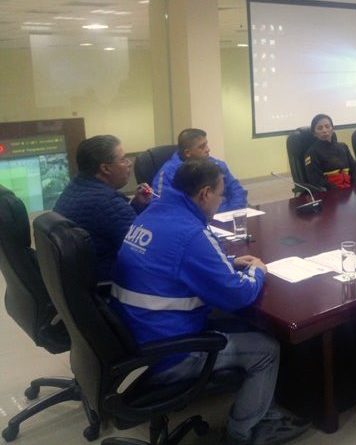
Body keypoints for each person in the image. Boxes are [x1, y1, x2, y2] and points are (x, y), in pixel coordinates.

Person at [110, 159, 310, 445]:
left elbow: (175, 261)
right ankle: (242, 433)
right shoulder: (191, 233)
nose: (221, 201)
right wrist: (257, 271)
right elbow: (237, 295)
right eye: (220, 195)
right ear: (204, 193)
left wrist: (226, 262)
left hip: (130, 335)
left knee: (240, 321)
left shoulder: (152, 213)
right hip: (168, 351)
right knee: (267, 349)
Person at [53, 135, 152, 283]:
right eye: (123, 159)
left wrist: (137, 205)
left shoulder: (75, 187)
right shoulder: (107, 202)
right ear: (105, 168)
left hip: (81, 278)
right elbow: (146, 251)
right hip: (110, 283)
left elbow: (111, 223)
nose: (129, 163)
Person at [154, 128, 248, 212]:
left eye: (206, 144)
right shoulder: (168, 173)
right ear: (188, 153)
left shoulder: (217, 164)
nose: (208, 149)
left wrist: (233, 211)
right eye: (202, 147)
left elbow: (236, 189)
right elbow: (163, 204)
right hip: (194, 220)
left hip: (227, 214)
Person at [304, 114, 356, 190]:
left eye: (327, 126)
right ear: (314, 133)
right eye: (320, 128)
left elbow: (355, 170)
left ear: (332, 129)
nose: (324, 130)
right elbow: (316, 180)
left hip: (351, 190)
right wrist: (337, 191)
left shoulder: (343, 147)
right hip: (331, 193)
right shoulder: (311, 153)